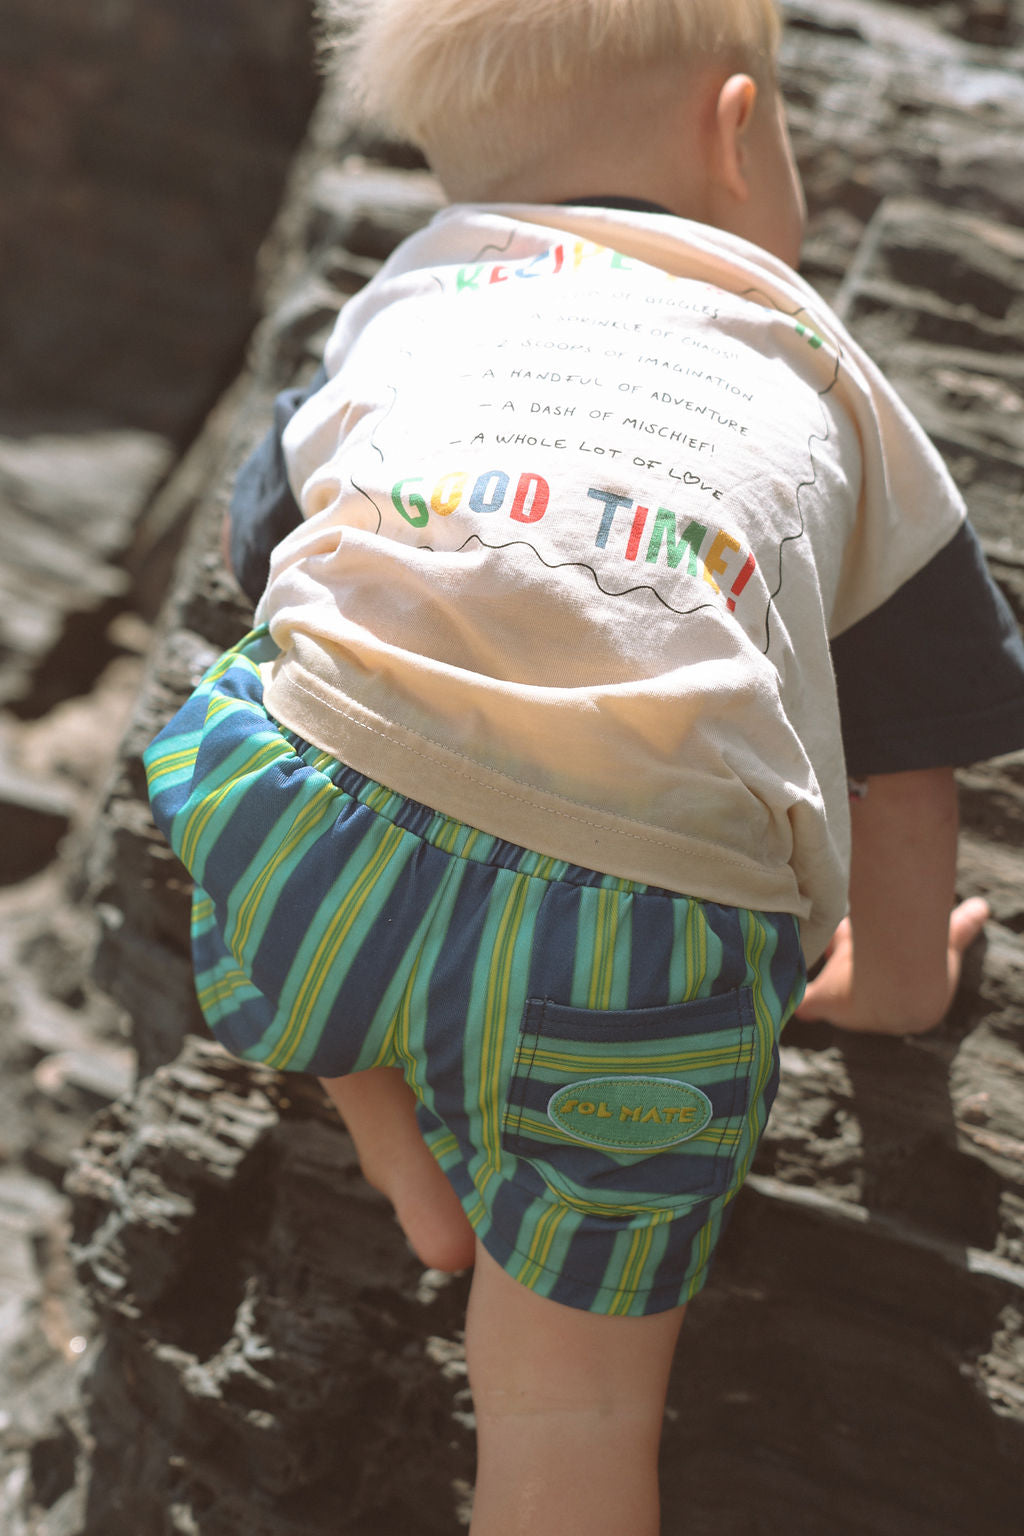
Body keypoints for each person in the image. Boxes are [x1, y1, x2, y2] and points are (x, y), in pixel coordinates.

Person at [144, 2, 1024, 1531]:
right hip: (634, 947)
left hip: (309, 841)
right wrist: (891, 989)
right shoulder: (827, 382)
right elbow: (916, 746)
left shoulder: (418, 292)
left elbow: (259, 541)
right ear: (739, 126)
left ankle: (405, 1155)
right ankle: (503, 1216)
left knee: (272, 786)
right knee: (570, 1410)